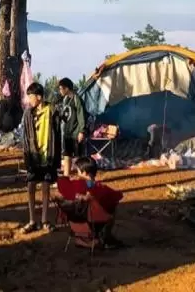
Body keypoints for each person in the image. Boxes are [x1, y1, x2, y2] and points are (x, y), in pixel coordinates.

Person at [56, 156, 124, 248]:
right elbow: (118, 196)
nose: (76, 174)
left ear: (84, 172)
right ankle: (106, 236)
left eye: (77, 171)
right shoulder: (100, 188)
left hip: (75, 222)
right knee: (111, 209)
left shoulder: (71, 186)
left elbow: (61, 183)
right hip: (94, 223)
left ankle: (81, 238)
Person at [20, 82, 61, 234]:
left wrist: (57, 156)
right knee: (31, 187)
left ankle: (44, 220)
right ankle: (32, 220)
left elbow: (57, 134)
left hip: (47, 156)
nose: (28, 100)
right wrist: (26, 155)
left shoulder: (52, 111)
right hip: (33, 156)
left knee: (45, 188)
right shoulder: (28, 114)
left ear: (39, 97)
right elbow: (25, 136)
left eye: (30, 96)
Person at [57, 78, 86, 177]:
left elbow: (80, 114)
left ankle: (82, 177)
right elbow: (65, 115)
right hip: (67, 133)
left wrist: (81, 131)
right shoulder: (65, 100)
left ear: (67, 88)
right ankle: (66, 177)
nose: (60, 91)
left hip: (75, 133)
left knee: (78, 157)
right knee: (67, 155)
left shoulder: (76, 99)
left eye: (61, 88)